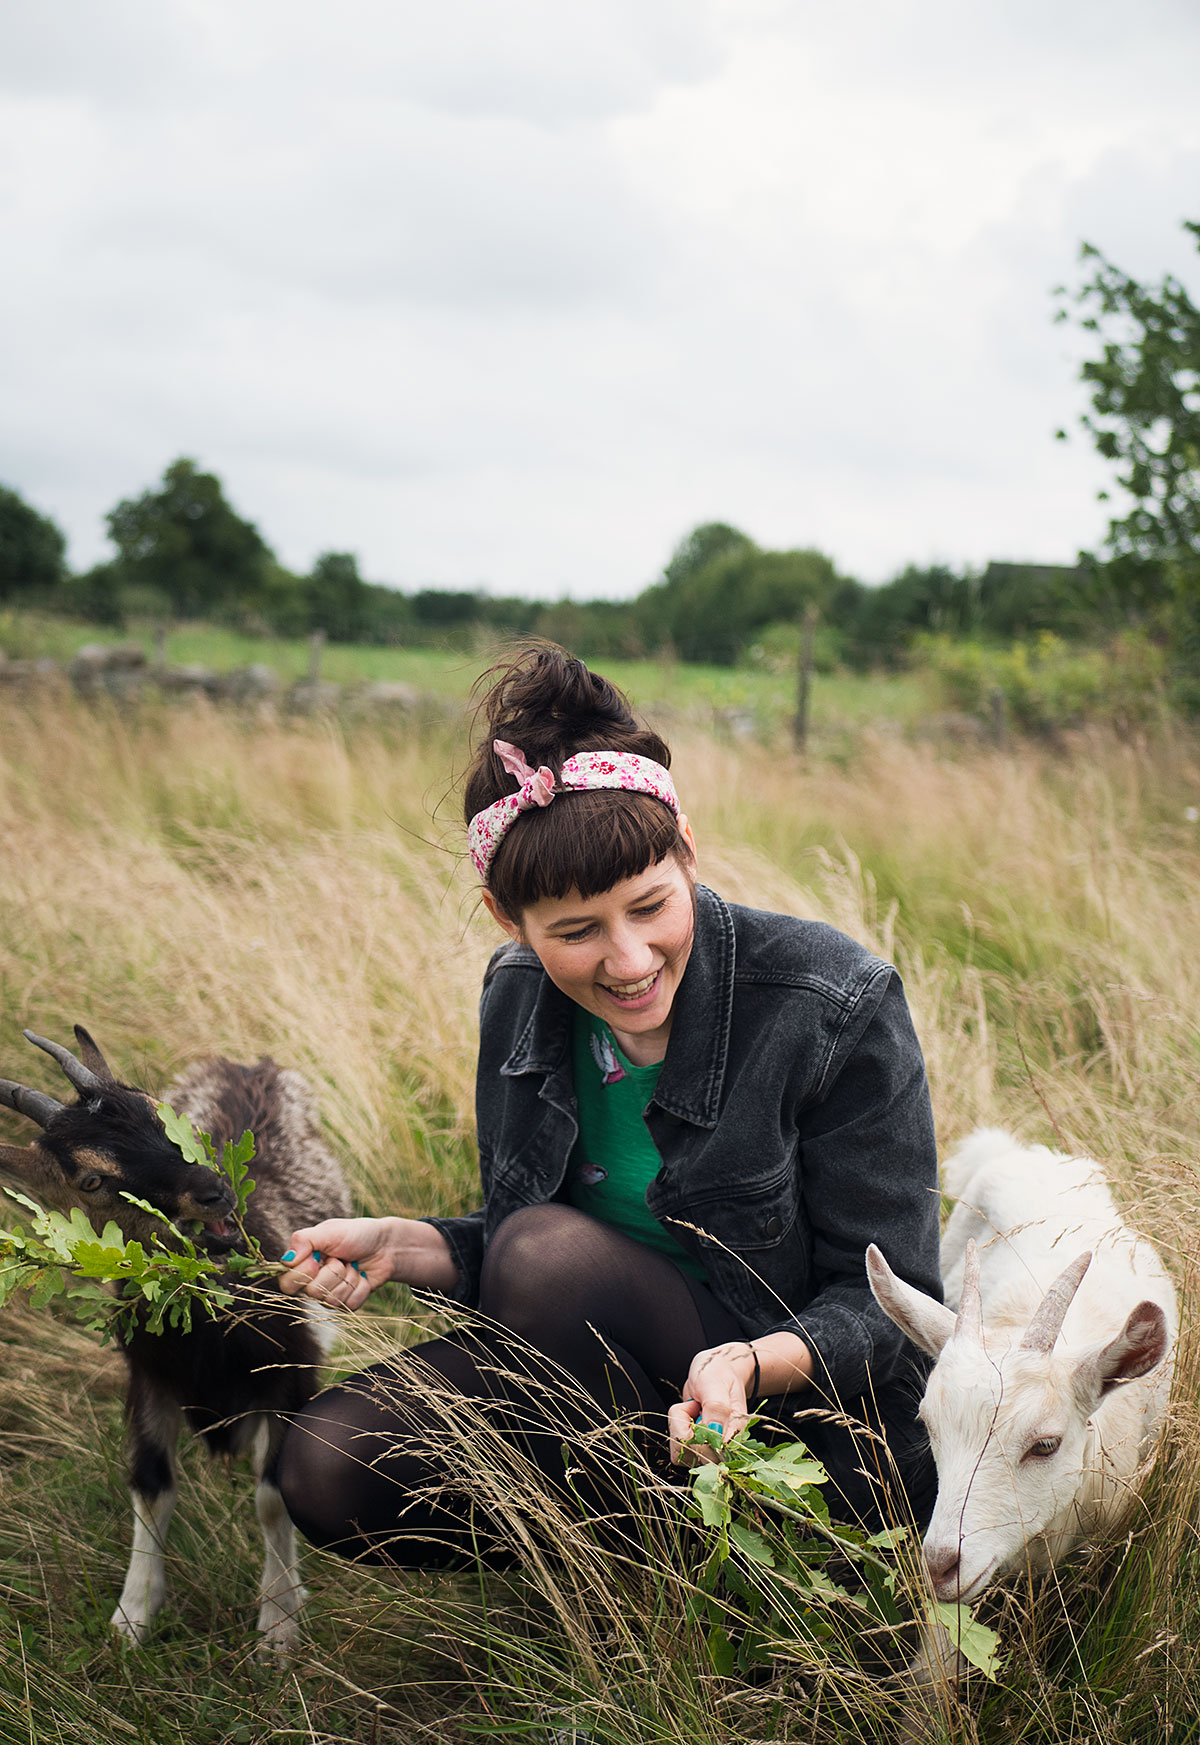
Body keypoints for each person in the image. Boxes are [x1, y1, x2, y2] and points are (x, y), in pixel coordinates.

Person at [275, 646, 942, 1567]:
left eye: (651, 906)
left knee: (545, 1257)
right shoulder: (516, 992)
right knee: (322, 1464)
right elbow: (539, 1258)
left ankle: (740, 1561)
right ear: (509, 919)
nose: (627, 961)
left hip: (788, 1424)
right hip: (613, 1394)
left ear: (689, 852)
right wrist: (411, 1246)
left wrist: (749, 1360)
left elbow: (894, 1309)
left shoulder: (833, 1003)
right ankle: (643, 1563)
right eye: (577, 932)